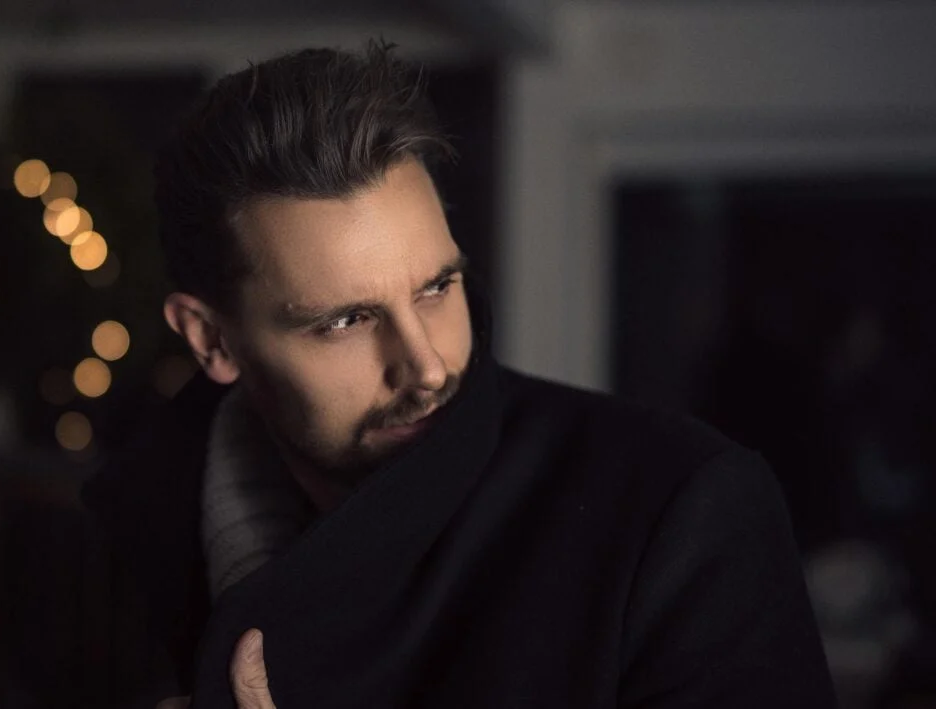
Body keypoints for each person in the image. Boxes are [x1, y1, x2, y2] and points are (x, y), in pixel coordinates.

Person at [82, 41, 836, 708]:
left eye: (437, 288)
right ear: (212, 339)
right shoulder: (114, 545)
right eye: (345, 320)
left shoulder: (678, 511)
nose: (428, 364)